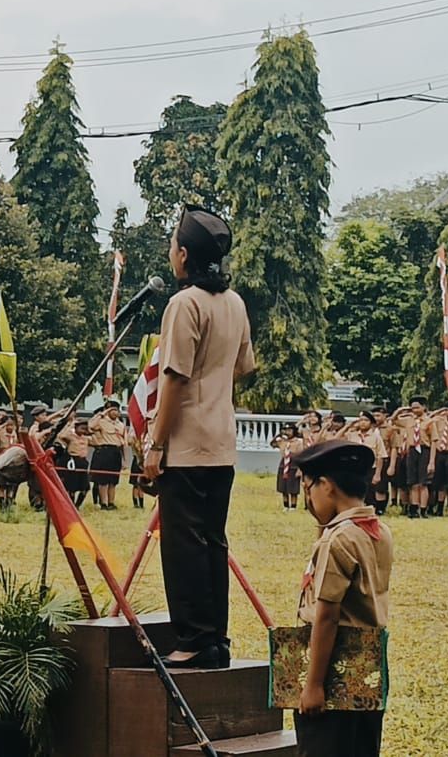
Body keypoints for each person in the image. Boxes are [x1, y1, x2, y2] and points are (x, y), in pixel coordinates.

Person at [144, 206, 256, 669]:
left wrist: (155, 444)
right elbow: (245, 367)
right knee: (213, 541)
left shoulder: (184, 303)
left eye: (173, 245)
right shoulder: (234, 303)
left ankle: (191, 640)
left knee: (183, 543)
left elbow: (173, 379)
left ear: (184, 255)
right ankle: (216, 640)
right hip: (222, 442)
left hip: (186, 445)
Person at [290, 440, 393, 757]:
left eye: (309, 488)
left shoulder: (338, 539)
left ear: (327, 485)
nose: (308, 499)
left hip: (335, 668)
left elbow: (327, 615)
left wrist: (314, 685)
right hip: (369, 666)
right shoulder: (377, 529)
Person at [89, 402, 129, 511]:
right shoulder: (101, 422)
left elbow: (124, 444)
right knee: (103, 480)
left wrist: (125, 460)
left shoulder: (121, 425)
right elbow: (91, 426)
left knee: (113, 481)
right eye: (111, 410)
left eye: (116, 410)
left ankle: (111, 502)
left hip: (116, 452)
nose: (115, 412)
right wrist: (103, 414)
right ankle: (104, 503)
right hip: (104, 451)